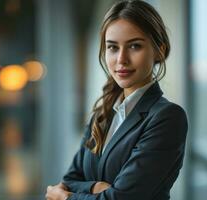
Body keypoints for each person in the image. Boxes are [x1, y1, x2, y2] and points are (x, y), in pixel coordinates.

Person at [45, 0, 188, 199]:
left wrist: (66, 197)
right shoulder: (102, 112)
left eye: (135, 46)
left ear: (159, 51)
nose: (121, 59)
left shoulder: (167, 117)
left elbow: (121, 198)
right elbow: (70, 179)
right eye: (112, 47)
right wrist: (96, 188)